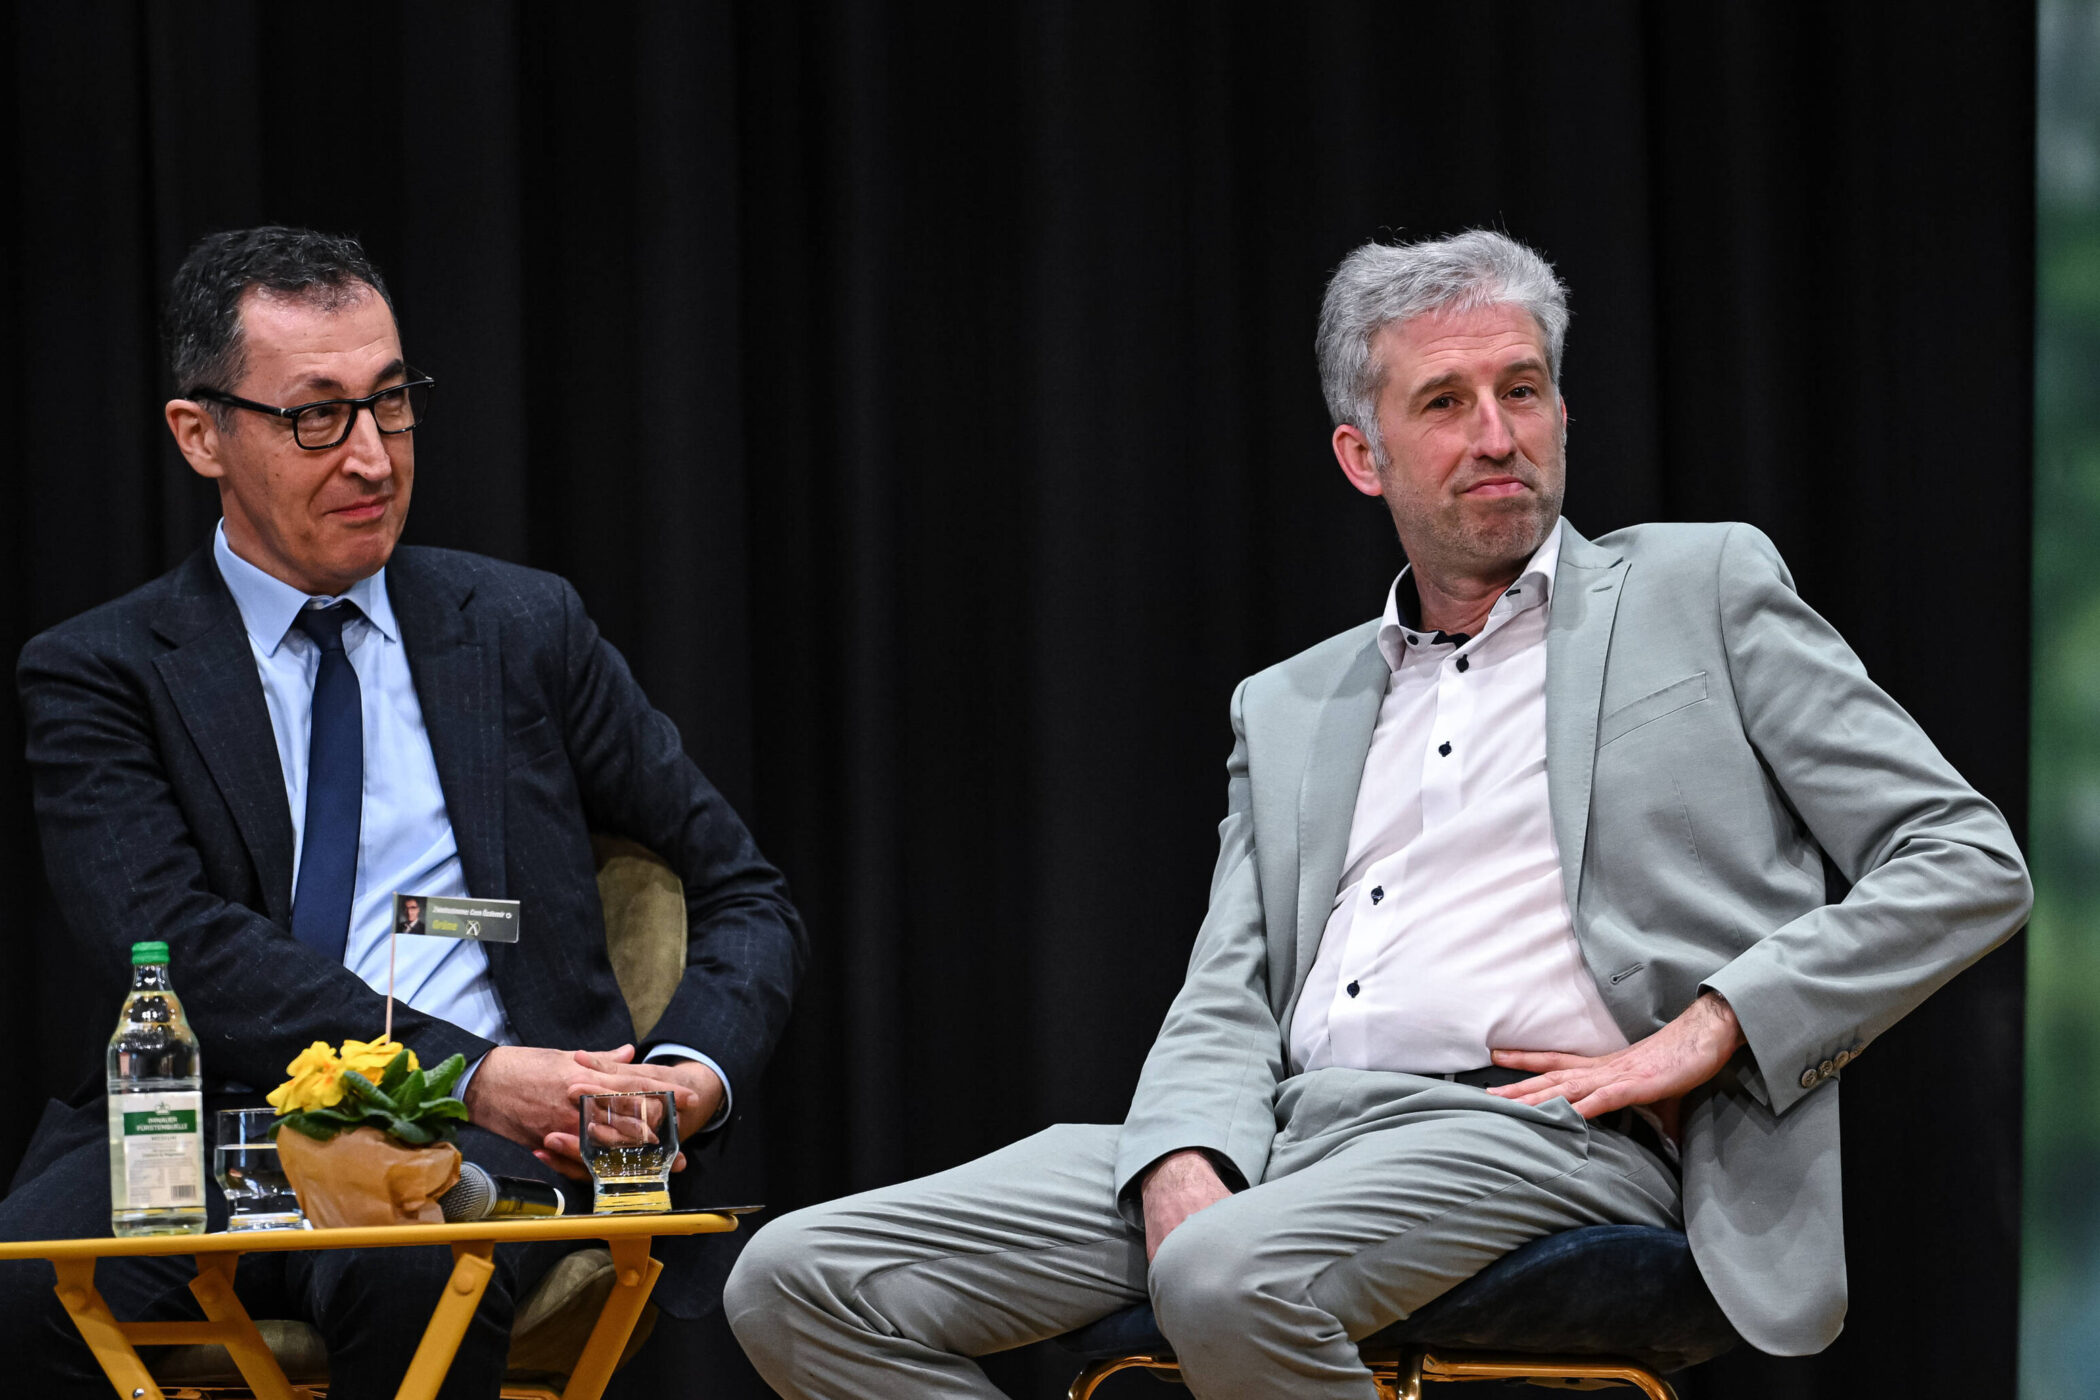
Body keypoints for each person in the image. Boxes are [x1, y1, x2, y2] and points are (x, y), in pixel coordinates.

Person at [723, 229, 2031, 1399]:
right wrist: (1183, 1144)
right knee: (796, 1277)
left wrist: (1713, 1026)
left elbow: (1965, 860)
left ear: (1563, 414)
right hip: (1295, 1132)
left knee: (1230, 1275)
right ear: (1364, 455)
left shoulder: (1704, 589)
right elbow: (1229, 985)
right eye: (1445, 403)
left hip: (1544, 1135)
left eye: (1522, 391)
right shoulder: (1291, 703)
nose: (1497, 433)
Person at [0, 226, 806, 1399]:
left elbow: (744, 890)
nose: (372, 457)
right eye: (317, 415)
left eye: (392, 403)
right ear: (200, 434)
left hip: (474, 1155)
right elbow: (172, 945)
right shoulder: (103, 670)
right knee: (22, 1297)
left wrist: (685, 1075)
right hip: (206, 1128)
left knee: (417, 1256)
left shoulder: (523, 628)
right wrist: (469, 1070)